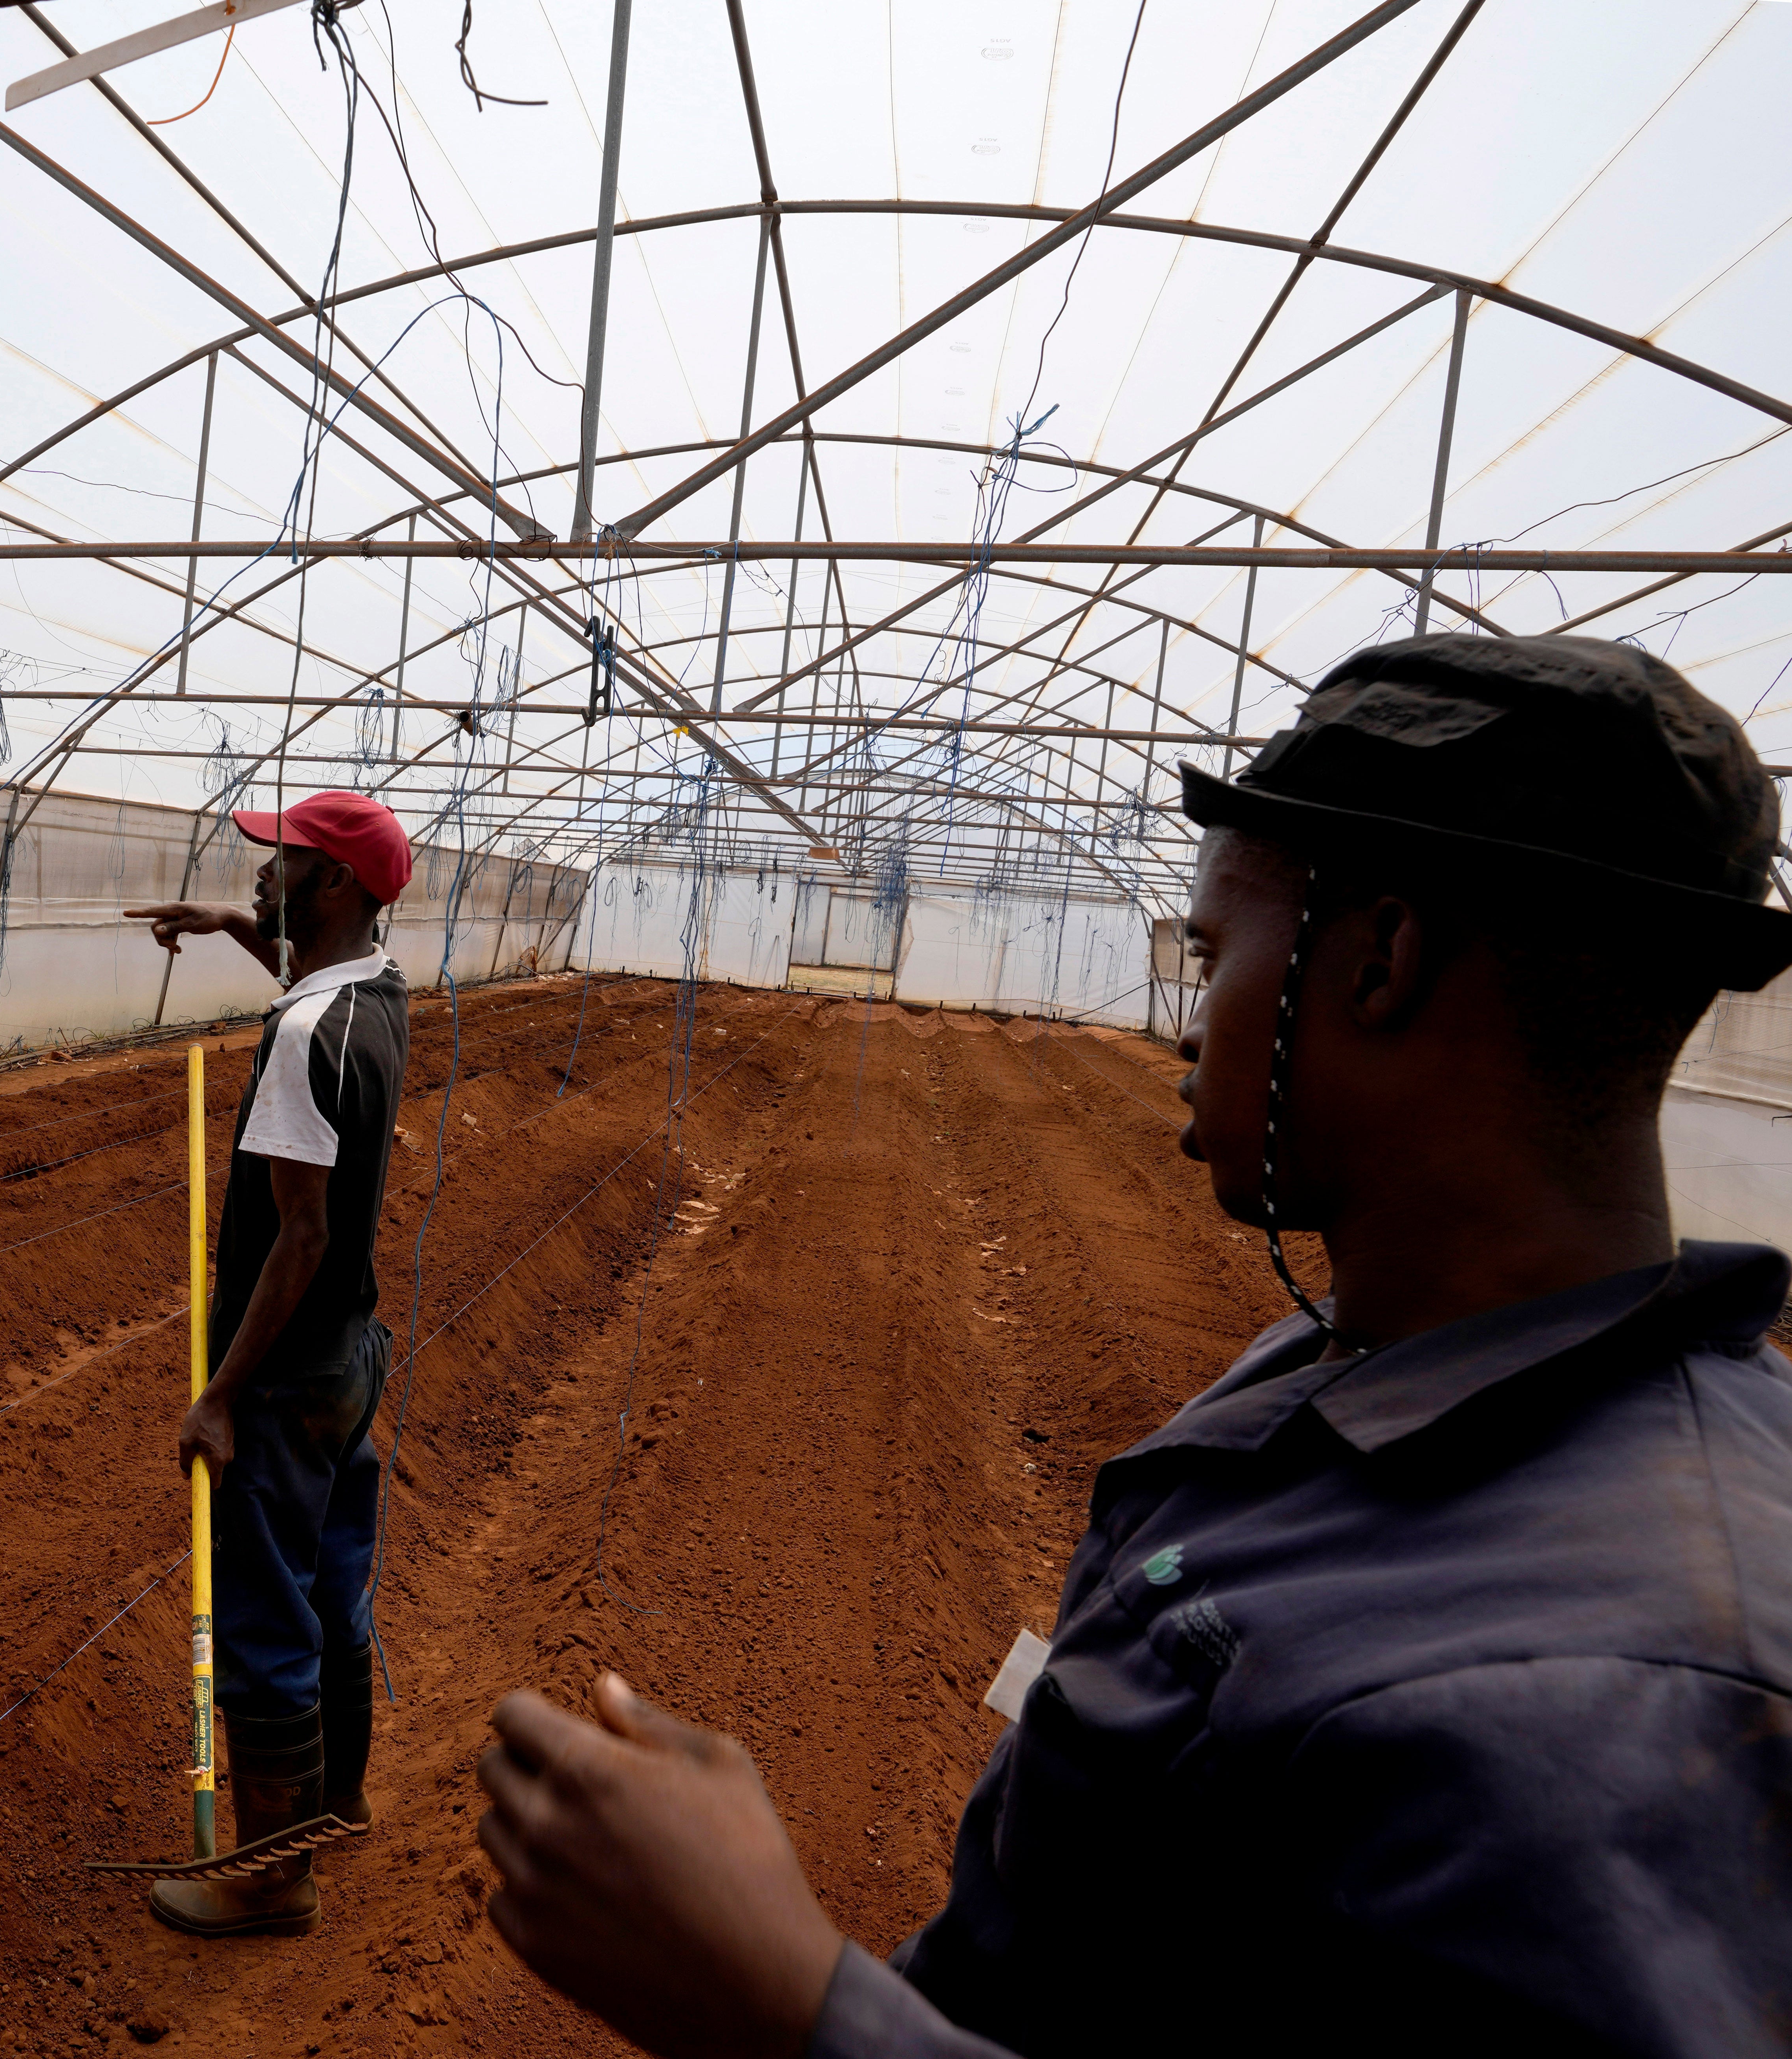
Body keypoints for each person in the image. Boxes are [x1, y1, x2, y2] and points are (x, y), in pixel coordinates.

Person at [472, 634, 1792, 2057]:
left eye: (1213, 957)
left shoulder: (1619, 1703)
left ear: (1380, 961)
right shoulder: (1331, 1364)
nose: (1181, 1022)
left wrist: (789, 2000)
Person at [123, 790, 415, 1938]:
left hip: (287, 1377)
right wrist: (222, 918)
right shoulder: (374, 994)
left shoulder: (301, 1040)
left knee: (262, 1616)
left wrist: (219, 1393)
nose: (260, 875)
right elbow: (305, 977)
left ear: (334, 884)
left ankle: (275, 1872)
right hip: (351, 1358)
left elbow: (301, 1236)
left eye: (278, 862)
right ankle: (337, 1799)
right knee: (333, 1592)